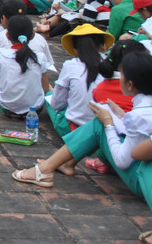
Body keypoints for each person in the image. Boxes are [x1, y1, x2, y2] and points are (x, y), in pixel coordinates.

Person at [12, 47, 152, 211]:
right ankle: (60, 164)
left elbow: (122, 160)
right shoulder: (144, 107)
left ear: (130, 84)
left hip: (141, 178)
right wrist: (122, 116)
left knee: (98, 125)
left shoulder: (139, 115)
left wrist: (108, 124)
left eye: (121, 74)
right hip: (143, 166)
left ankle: (45, 169)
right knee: (101, 123)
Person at [45, 24, 112, 174]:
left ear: (75, 49)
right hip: (105, 131)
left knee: (49, 97)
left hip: (73, 129)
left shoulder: (71, 65)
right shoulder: (112, 67)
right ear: (103, 46)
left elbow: (57, 104)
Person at [0, 15, 51, 117]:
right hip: (35, 109)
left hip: (7, 107)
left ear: (7, 36)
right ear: (32, 35)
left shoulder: (0, 55)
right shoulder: (39, 57)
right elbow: (45, 89)